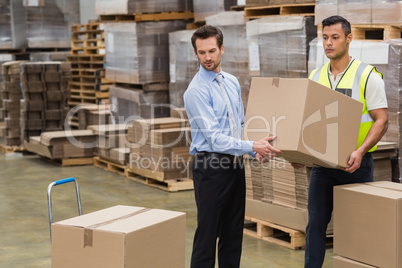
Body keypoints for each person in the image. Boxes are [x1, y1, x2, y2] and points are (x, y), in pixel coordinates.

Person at [183, 25, 282, 268]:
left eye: (212, 51)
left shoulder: (231, 82)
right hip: (210, 167)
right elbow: (215, 138)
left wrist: (252, 149)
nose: (207, 57)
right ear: (196, 54)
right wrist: (250, 146)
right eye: (202, 52)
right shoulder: (196, 91)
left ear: (222, 49)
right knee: (207, 236)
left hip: (234, 166)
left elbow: (238, 124)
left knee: (232, 234)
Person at [301, 16, 388, 268]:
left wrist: (360, 152)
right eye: (325, 37)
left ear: (349, 39)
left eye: (335, 37)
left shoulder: (367, 75)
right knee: (315, 224)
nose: (328, 43)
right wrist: (301, 156)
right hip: (323, 167)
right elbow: (307, 123)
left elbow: (381, 120)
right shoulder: (315, 76)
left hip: (356, 165)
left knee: (358, 227)